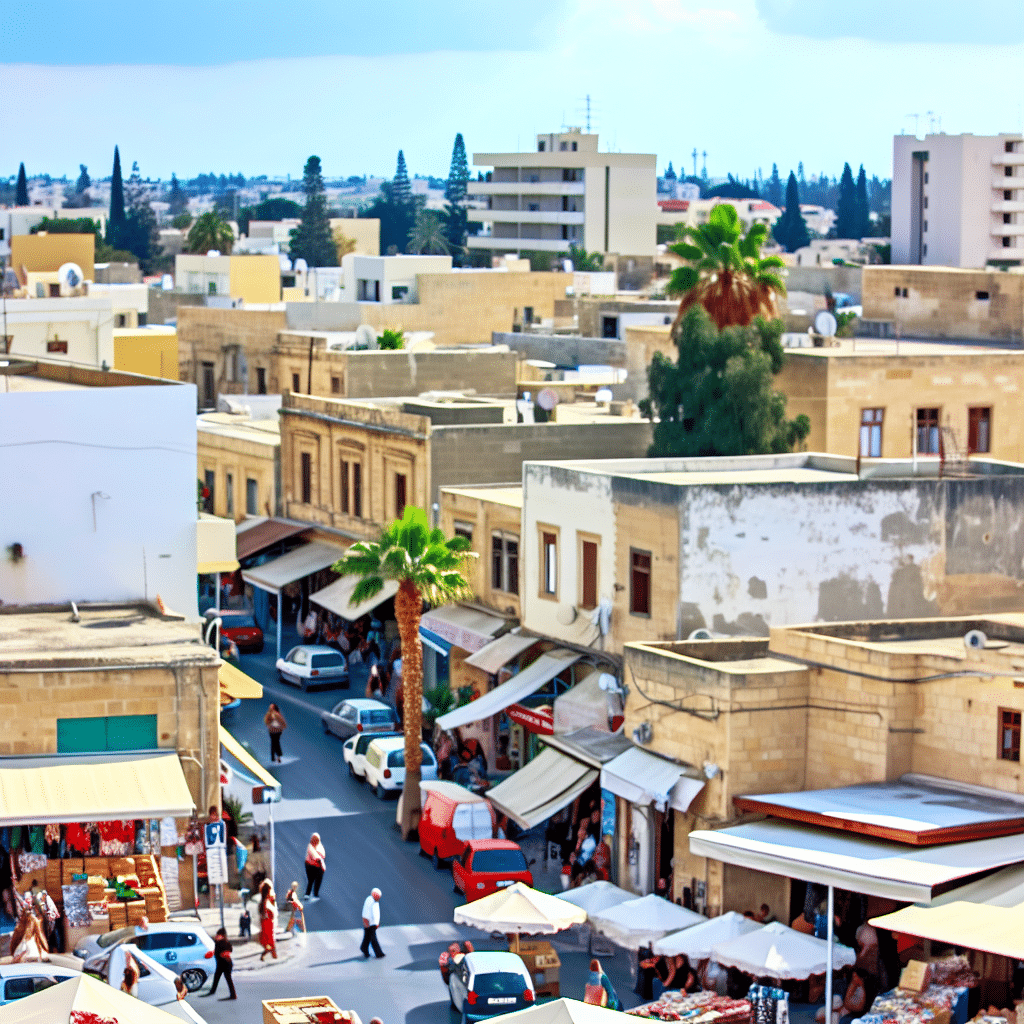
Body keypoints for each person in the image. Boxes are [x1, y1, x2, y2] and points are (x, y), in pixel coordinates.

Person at [203, 927, 237, 1000]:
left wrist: (225, 953)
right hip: (221, 964)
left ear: (222, 936)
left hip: (226, 964)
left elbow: (229, 950)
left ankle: (233, 995)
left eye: (218, 935)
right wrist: (212, 953)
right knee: (216, 977)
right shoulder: (218, 943)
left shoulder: (224, 943)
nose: (217, 936)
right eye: (217, 935)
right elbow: (217, 951)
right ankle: (212, 991)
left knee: (228, 979)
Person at [360, 887, 384, 959]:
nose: (379, 897)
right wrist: (367, 922)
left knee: (367, 937)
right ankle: (378, 953)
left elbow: (376, 913)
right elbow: (367, 912)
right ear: (374, 894)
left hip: (372, 923)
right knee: (373, 938)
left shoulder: (374, 901)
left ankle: (364, 948)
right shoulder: (370, 900)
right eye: (378, 896)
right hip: (370, 923)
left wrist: (377, 922)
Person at [258, 880, 278, 961]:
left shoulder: (265, 900)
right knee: (270, 941)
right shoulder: (265, 902)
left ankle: (271, 955)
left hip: (268, 923)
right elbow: (268, 914)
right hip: (267, 923)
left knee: (270, 942)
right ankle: (273, 956)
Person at [304, 832, 326, 901]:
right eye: (313, 839)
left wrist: (320, 859)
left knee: (318, 880)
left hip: (318, 866)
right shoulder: (310, 846)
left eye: (316, 839)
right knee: (311, 880)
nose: (314, 840)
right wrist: (319, 858)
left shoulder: (320, 846)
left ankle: (315, 894)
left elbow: (322, 855)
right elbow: (313, 854)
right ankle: (307, 894)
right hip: (310, 865)